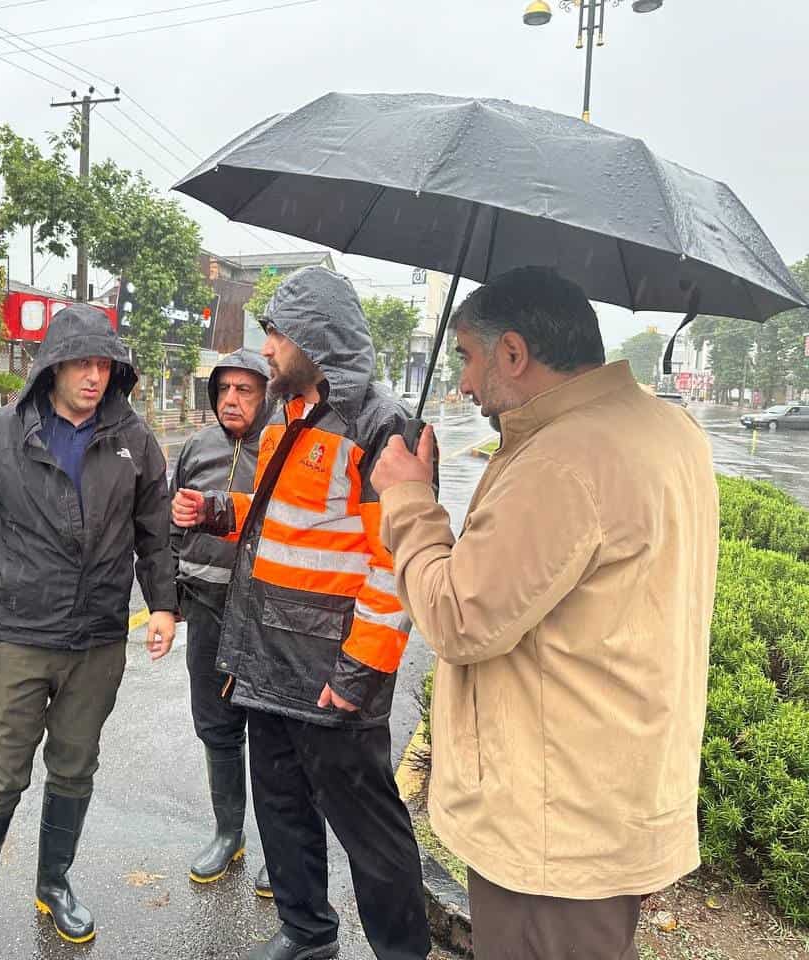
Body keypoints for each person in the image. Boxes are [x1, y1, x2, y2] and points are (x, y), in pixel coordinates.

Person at [370, 267, 719, 960]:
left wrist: (408, 502)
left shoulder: (564, 459)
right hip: (612, 796)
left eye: (469, 357)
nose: (465, 382)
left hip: (553, 827)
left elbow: (459, 618)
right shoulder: (664, 428)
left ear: (514, 354)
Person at [173, 267, 431, 960]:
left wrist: (358, 675)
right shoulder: (286, 413)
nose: (267, 349)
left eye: (277, 334)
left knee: (368, 831)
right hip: (267, 662)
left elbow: (393, 568)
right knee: (282, 811)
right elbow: (281, 523)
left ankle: (402, 953)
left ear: (315, 338)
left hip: (332, 675)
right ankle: (309, 932)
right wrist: (218, 512)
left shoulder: (380, 426)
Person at [0, 303, 178, 960]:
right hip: (17, 634)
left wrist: (163, 604)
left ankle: (53, 883)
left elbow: (156, 532)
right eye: (81, 363)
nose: (94, 376)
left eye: (104, 364)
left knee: (74, 766)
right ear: (53, 366)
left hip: (98, 638)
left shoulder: (133, 440)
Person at [169, 348, 273, 896]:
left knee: (276, 735)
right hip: (205, 609)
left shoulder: (281, 449)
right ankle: (228, 833)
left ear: (266, 395)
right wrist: (169, 596)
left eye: (245, 390)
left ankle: (282, 851)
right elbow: (167, 526)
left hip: (265, 615)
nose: (232, 400)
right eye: (224, 390)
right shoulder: (196, 447)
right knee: (217, 727)